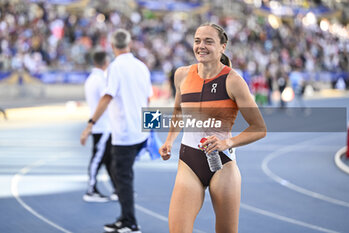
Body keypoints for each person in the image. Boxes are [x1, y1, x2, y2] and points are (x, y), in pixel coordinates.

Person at [159, 23, 266, 233]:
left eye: (209, 41)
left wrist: (227, 142)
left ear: (222, 47)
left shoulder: (233, 81)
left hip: (223, 164)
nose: (201, 46)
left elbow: (259, 128)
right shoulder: (181, 75)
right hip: (189, 161)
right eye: (197, 41)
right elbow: (178, 112)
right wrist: (169, 141)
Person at [80, 29, 152, 233]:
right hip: (139, 131)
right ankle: (125, 217)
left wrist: (90, 123)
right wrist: (151, 130)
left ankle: (130, 222)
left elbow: (107, 96)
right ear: (129, 44)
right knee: (117, 169)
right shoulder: (142, 67)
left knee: (122, 175)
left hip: (124, 133)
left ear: (112, 47)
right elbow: (148, 99)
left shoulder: (115, 68)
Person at [82, 51, 117, 202]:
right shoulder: (100, 80)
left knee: (108, 159)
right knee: (98, 158)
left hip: (102, 125)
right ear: (105, 63)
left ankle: (117, 188)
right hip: (102, 126)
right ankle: (91, 190)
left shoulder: (91, 79)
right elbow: (106, 99)